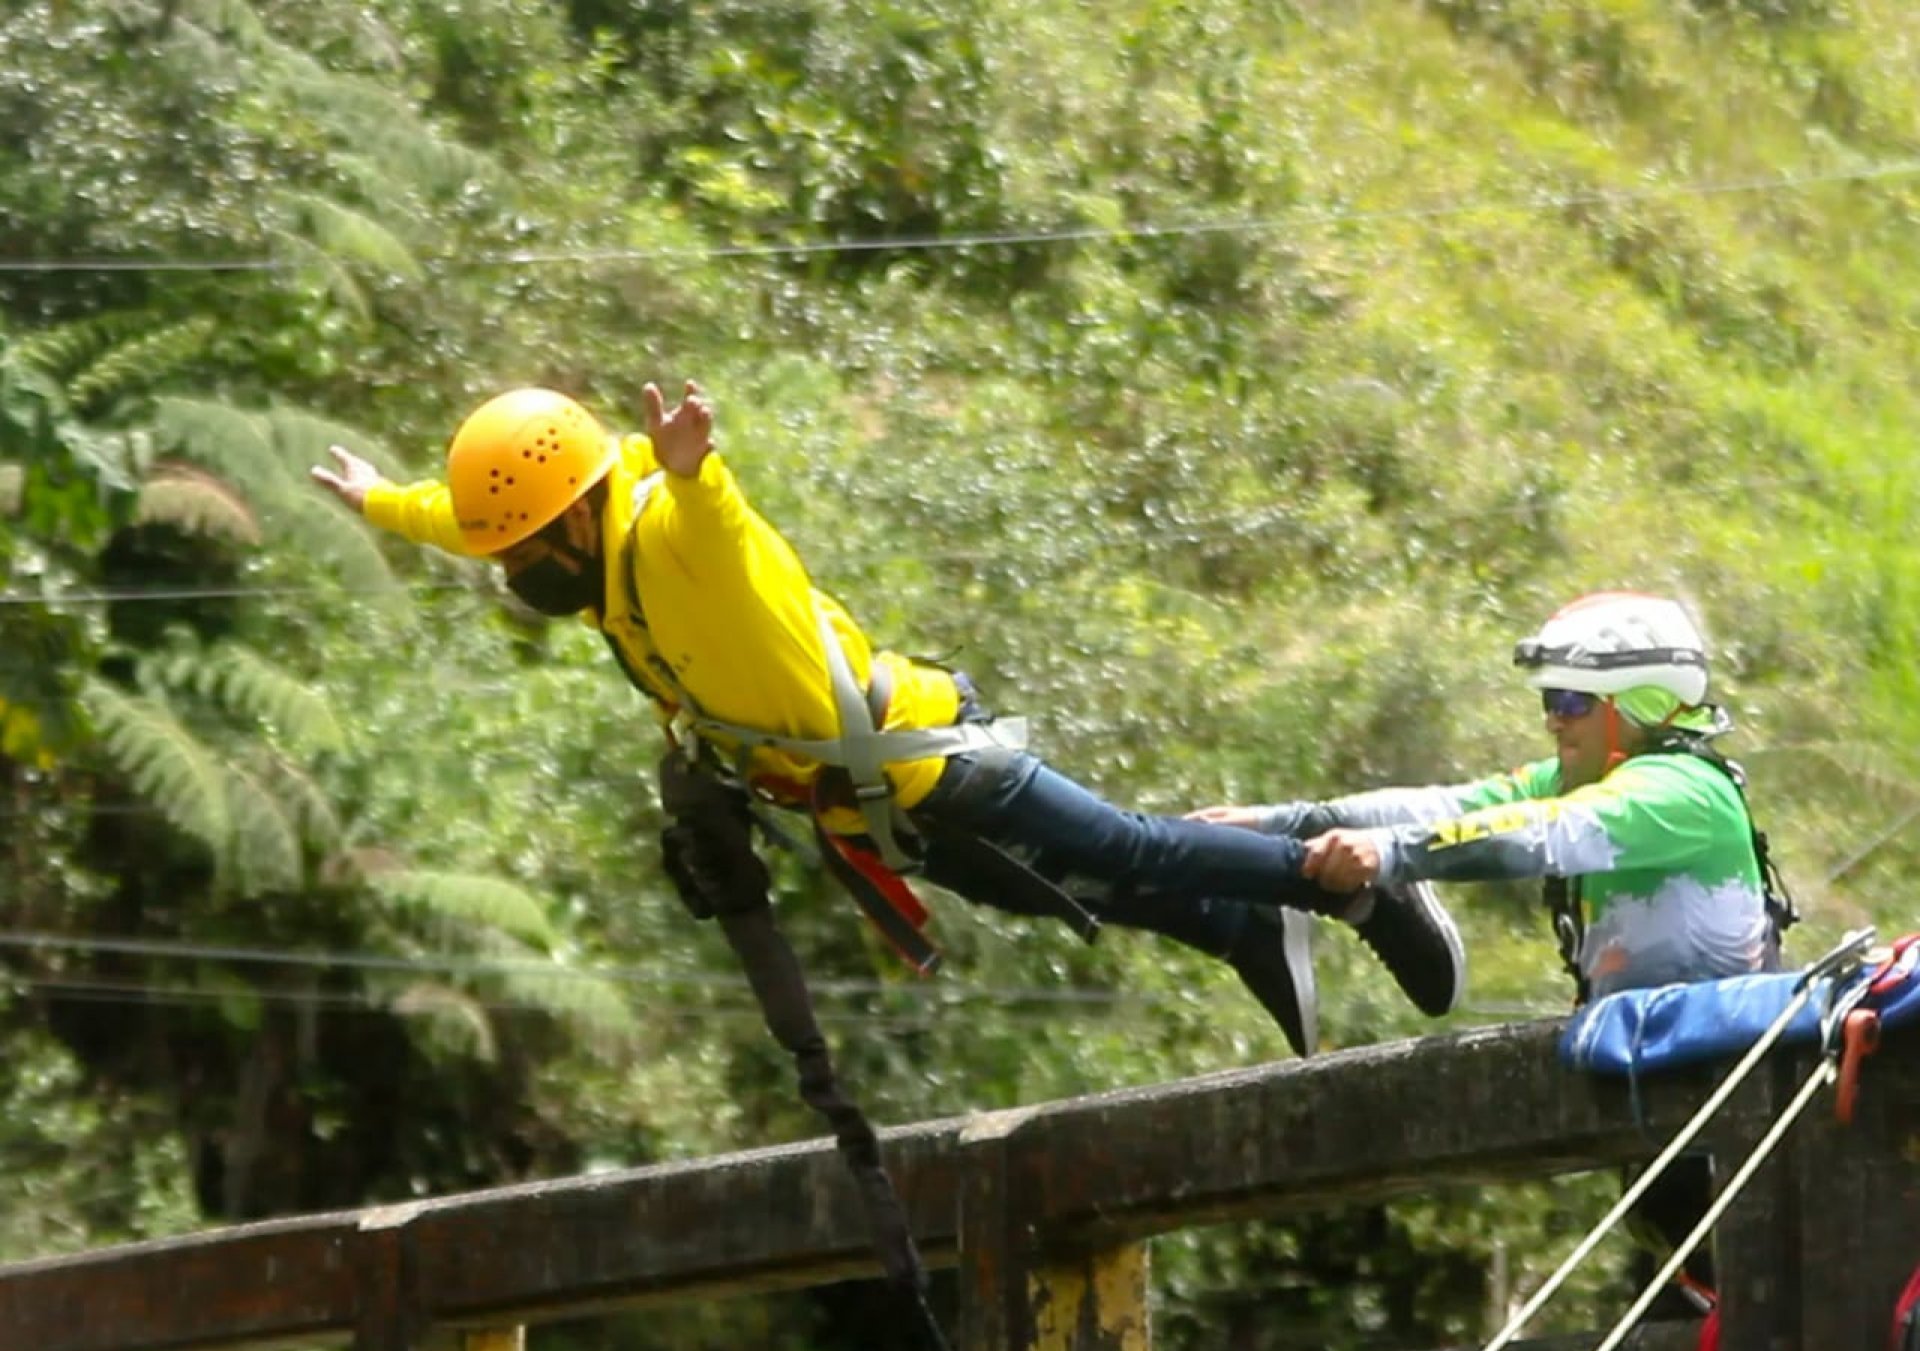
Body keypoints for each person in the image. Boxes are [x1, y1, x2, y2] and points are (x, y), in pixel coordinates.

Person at [309, 381, 1464, 1056]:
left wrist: (696, 470)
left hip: (926, 757)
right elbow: (468, 521)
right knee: (1074, 890)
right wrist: (381, 504)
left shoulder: (668, 529)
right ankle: (1245, 925)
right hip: (865, 803)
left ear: (570, 520)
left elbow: (712, 515)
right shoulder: (591, 558)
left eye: (519, 556)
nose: (508, 576)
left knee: (1123, 845)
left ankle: (1349, 879)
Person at [1195, 589, 1787, 1351]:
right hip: (1671, 1154)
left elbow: (1529, 837)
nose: (1549, 720)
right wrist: (1272, 821)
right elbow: (1461, 802)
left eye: (1565, 703)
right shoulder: (1590, 774)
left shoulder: (1680, 793)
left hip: (1741, 1147)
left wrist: (1387, 859)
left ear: (1632, 704)